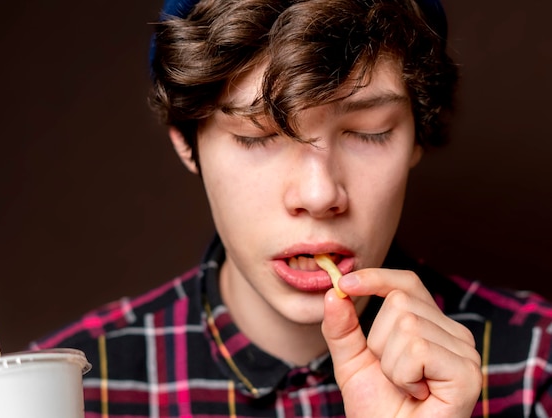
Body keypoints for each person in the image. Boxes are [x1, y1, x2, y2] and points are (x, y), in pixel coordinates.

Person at [32, 0, 552, 416]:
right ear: (187, 144)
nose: (318, 193)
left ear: (419, 135)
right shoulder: (61, 395)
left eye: (367, 133)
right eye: (257, 137)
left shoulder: (537, 366)